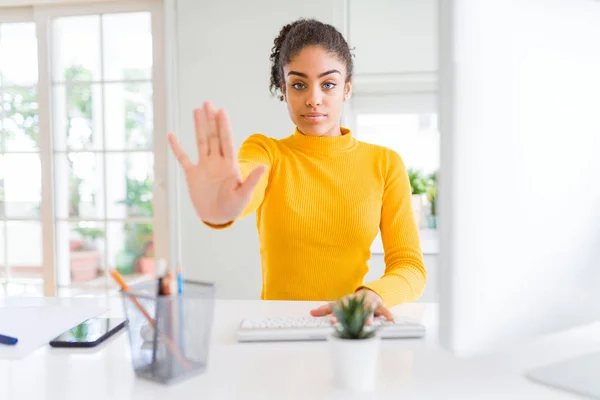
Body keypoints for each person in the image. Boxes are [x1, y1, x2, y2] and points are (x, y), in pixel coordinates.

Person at [168, 18, 426, 322]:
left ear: (347, 89)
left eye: (328, 84)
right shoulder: (267, 152)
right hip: (277, 330)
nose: (313, 99)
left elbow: (410, 266)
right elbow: (242, 186)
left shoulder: (385, 164)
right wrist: (221, 205)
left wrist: (370, 295)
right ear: (284, 89)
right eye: (299, 84)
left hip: (350, 328)